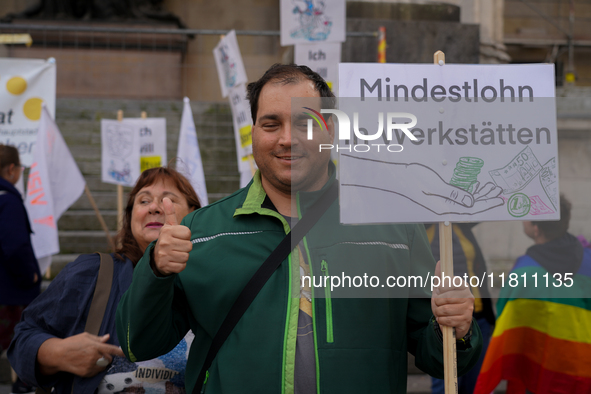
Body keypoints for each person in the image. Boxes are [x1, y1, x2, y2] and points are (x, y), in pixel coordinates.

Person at [116, 64, 483, 393]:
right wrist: (156, 270)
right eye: (271, 124)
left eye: (306, 122)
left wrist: (456, 327)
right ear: (254, 133)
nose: (287, 138)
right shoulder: (204, 230)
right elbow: (140, 345)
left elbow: (440, 358)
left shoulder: (392, 226)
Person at [8, 167, 201, 394]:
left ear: (194, 214)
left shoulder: (213, 283)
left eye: (168, 199)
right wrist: (58, 352)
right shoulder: (90, 274)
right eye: (144, 200)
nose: (155, 208)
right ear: (130, 217)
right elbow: (22, 339)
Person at [474, 195, 591, 394]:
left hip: (539, 370)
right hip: (581, 367)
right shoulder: (588, 260)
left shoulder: (523, 273)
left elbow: (506, 319)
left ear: (536, 229)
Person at [426, 223, 496, 394]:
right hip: (442, 322)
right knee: (445, 386)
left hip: (478, 318)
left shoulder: (462, 226)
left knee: (476, 385)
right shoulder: (421, 230)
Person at [0, 144, 41, 394]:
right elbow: (15, 246)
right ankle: (22, 385)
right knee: (22, 341)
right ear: (12, 169)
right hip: (10, 294)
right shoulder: (9, 201)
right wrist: (30, 275)